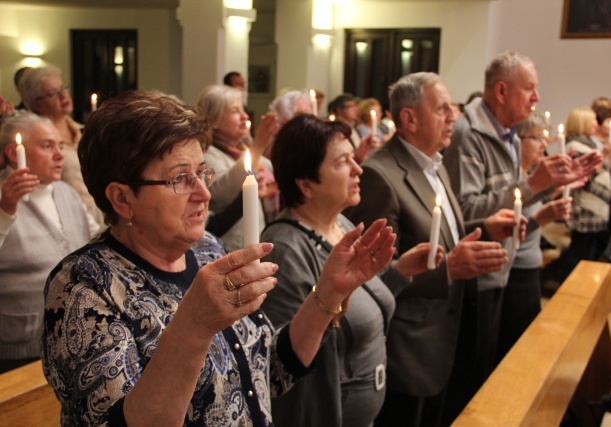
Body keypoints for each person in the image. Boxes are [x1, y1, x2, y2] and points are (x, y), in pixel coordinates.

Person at [41, 91, 397, 426]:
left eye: (202, 172)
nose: (204, 192)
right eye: (180, 178)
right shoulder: (84, 287)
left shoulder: (207, 249)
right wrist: (192, 328)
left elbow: (269, 372)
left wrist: (328, 295)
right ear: (121, 198)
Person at [345, 72, 517, 427]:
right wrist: (450, 269)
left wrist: (483, 228)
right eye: (441, 109)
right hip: (410, 349)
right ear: (409, 119)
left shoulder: (434, 163)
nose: (453, 116)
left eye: (451, 108)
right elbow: (371, 276)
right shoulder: (381, 175)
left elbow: (438, 237)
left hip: (447, 335)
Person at [261, 114, 444, 427]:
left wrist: (398, 272)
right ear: (305, 183)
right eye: (343, 161)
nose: (359, 168)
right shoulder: (285, 250)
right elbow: (286, 361)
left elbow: (355, 303)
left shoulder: (341, 225)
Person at [442, 52, 602, 406]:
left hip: (503, 267)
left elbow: (512, 202)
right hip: (476, 275)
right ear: (501, 91)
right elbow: (465, 212)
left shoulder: (510, 136)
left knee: (493, 370)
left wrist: (550, 182)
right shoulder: (468, 134)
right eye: (529, 88)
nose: (537, 97)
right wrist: (535, 183)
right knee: (470, 379)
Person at [0, 112, 96, 374]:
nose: (59, 155)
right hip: (20, 345)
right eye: (46, 146)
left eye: (60, 146)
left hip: (73, 335)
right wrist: (5, 209)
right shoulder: (2, 196)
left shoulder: (65, 191)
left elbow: (94, 240)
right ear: (12, 153)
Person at [497, 114, 574, 361]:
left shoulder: (529, 175)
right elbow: (509, 231)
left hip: (529, 264)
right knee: (514, 349)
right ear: (518, 141)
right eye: (536, 138)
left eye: (544, 138)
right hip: (516, 270)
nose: (543, 144)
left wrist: (552, 198)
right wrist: (543, 217)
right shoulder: (515, 181)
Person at [19, 65, 104, 227]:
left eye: (63, 88)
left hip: (99, 220)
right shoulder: (36, 143)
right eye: (53, 93)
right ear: (35, 104)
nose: (63, 95)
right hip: (68, 222)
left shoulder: (83, 130)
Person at [197, 84, 279, 250]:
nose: (244, 116)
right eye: (235, 111)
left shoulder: (240, 148)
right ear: (214, 120)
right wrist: (258, 145)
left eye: (243, 110)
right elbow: (219, 193)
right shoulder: (207, 153)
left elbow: (268, 168)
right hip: (230, 246)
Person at [549, 107, 611, 282]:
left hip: (595, 203)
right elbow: (589, 171)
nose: (596, 124)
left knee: (587, 248)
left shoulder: (589, 143)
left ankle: (580, 282)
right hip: (585, 203)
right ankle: (570, 283)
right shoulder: (575, 145)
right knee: (579, 248)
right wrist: (605, 154)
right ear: (581, 122)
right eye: (592, 121)